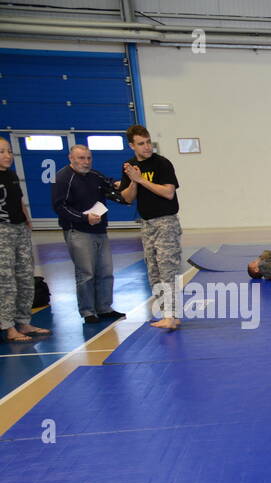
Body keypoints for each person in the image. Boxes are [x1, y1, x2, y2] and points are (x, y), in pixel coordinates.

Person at [117, 125, 184, 331]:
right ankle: (167, 313)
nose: (146, 147)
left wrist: (141, 180)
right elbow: (127, 198)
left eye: (148, 142)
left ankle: (171, 315)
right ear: (132, 145)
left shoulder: (162, 164)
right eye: (141, 144)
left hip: (165, 222)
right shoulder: (129, 167)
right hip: (147, 224)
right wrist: (133, 182)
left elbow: (168, 193)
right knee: (153, 272)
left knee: (167, 269)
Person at [51, 144, 127, 323]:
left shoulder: (95, 175)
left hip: (100, 230)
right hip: (78, 231)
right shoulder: (63, 178)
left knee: (106, 271)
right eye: (81, 158)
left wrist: (123, 183)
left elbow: (111, 186)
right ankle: (87, 311)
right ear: (71, 158)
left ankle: (104, 307)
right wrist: (84, 218)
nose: (85, 162)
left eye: (88, 158)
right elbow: (59, 207)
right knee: (86, 273)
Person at [0, 137, 49, 342]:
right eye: (2, 152)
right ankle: (8, 326)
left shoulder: (11, 175)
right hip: (2, 231)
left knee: (25, 278)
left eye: (9, 151)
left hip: (19, 229)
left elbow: (19, 201)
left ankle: (23, 321)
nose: (8, 156)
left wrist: (27, 223)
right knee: (6, 281)